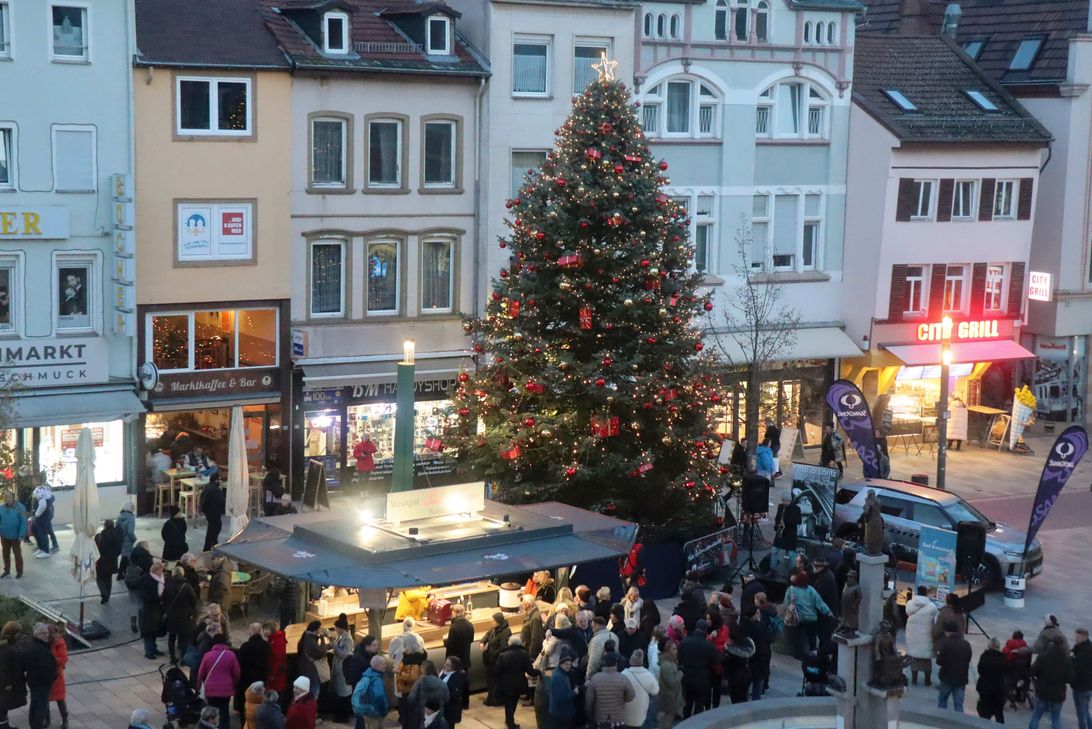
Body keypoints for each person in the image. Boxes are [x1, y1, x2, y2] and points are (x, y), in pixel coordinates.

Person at [494, 635, 540, 729]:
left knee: (508, 703)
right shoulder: (523, 654)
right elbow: (530, 671)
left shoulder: (503, 655)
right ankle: (510, 722)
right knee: (513, 702)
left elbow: (497, 671)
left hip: (505, 683)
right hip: (518, 683)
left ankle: (509, 720)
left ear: (509, 643)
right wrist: (539, 672)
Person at [784, 571, 832, 658]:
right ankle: (812, 652)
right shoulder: (810, 590)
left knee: (798, 637)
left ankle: (798, 654)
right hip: (811, 618)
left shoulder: (791, 590)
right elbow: (819, 603)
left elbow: (786, 604)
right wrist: (828, 612)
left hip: (798, 618)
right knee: (812, 636)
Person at [1031, 633, 1074, 729]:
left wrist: (1038, 680)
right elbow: (1070, 678)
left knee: (1036, 716)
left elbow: (1033, 671)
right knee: (1056, 718)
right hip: (1058, 693)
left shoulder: (1042, 657)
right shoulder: (1066, 660)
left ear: (1051, 643)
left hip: (1042, 691)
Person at [199, 634, 242, 729]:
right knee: (224, 710)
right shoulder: (231, 655)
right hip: (226, 689)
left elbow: (201, 673)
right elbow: (237, 672)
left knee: (212, 712)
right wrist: (234, 684)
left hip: (210, 689)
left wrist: (199, 686)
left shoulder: (207, 655)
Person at [677, 619, 718, 718]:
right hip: (702, 680)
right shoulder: (709, 645)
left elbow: (679, 658)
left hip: (687, 678)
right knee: (699, 705)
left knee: (687, 704)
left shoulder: (685, 642)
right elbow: (716, 660)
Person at [21, 623, 57, 729]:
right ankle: (37, 726)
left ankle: (33, 724)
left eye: (47, 632)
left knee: (35, 703)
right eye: (45, 633)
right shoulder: (41, 649)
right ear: (38, 634)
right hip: (42, 682)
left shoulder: (30, 644)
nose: (47, 635)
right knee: (40, 707)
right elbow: (48, 667)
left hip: (34, 680)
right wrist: (53, 677)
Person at [585, 651, 634, 728]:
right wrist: (623, 699)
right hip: (617, 719)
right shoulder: (623, 678)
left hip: (600, 718)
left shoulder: (595, 678)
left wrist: (589, 714)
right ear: (616, 663)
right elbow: (631, 696)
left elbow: (589, 700)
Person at [238, 622, 273, 721]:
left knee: (246, 709)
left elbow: (239, 664)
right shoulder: (266, 646)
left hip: (246, 682)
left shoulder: (245, 647)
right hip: (261, 681)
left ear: (251, 632)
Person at [163, 565, 198, 664]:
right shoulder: (186, 586)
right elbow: (194, 600)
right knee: (183, 638)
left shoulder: (167, 584)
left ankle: (172, 657)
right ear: (183, 574)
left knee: (172, 637)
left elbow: (163, 598)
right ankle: (183, 658)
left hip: (171, 616)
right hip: (184, 616)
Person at [935, 621, 972, 713]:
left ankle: (941, 721)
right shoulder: (966, 644)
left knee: (943, 700)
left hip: (947, 677)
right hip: (961, 678)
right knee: (958, 704)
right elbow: (968, 659)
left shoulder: (945, 643)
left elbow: (939, 661)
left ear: (947, 631)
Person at [904, 585, 937, 686]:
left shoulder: (910, 604)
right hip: (926, 637)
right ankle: (927, 681)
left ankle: (914, 679)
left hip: (913, 636)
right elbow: (935, 622)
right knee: (926, 661)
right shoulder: (932, 607)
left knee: (914, 659)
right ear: (926, 593)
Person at [738, 604, 770, 701]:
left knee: (744, 689)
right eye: (757, 613)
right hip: (759, 663)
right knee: (757, 689)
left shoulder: (742, 626)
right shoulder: (759, 628)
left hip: (747, 663)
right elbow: (764, 647)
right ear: (753, 615)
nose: (759, 614)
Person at [406, 661, 449, 729]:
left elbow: (411, 699)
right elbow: (446, 698)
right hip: (438, 712)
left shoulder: (419, 682)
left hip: (422, 713)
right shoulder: (441, 682)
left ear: (423, 670)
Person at [622, 649, 658, 729]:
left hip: (626, 713)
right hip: (640, 714)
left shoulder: (624, 674)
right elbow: (655, 691)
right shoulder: (648, 675)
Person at [520, 594, 546, 704]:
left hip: (531, 652)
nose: (521, 606)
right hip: (526, 649)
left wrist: (531, 655)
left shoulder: (535, 617)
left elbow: (536, 638)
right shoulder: (531, 615)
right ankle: (528, 694)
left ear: (527, 604)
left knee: (531, 675)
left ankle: (532, 698)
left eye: (523, 604)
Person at [328, 614, 355, 721]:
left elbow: (344, 654)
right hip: (338, 667)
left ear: (340, 628)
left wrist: (334, 645)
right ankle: (339, 715)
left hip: (343, 668)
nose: (335, 630)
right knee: (339, 692)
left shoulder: (347, 639)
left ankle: (343, 716)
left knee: (343, 693)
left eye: (336, 628)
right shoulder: (341, 637)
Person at [481, 612, 512, 705]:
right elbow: (487, 634)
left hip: (498, 660)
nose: (492, 622)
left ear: (499, 621)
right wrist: (482, 642)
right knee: (490, 680)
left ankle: (496, 699)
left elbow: (504, 646)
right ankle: (491, 698)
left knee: (496, 680)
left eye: (494, 621)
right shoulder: (494, 629)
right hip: (490, 659)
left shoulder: (505, 631)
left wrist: (494, 654)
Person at [0, 622, 25, 729]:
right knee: (3, 705)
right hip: (7, 683)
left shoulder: (5, 646)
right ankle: (3, 725)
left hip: (5, 682)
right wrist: (8, 684)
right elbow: (5, 668)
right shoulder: (9, 650)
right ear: (15, 634)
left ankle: (4, 723)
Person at [976, 637, 1007, 723]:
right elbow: (1006, 671)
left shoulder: (984, 656)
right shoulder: (1003, 657)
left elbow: (980, 670)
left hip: (985, 688)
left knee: (984, 715)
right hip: (999, 689)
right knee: (999, 714)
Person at [353, 655, 389, 729]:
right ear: (376, 665)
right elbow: (380, 697)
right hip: (375, 712)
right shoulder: (376, 680)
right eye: (383, 664)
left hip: (367, 710)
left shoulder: (367, 675)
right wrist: (384, 711)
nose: (385, 665)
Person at [139, 561, 166, 659]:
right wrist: (158, 598)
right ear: (155, 570)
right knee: (149, 631)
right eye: (160, 570)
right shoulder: (147, 580)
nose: (161, 572)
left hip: (158, 609)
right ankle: (148, 651)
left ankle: (154, 649)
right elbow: (144, 596)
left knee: (155, 630)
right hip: (149, 610)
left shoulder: (161, 580)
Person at [91, 518, 122, 603]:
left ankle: (104, 592)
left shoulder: (99, 536)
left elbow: (94, 549)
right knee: (108, 578)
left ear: (104, 526)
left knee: (99, 578)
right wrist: (114, 555)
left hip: (101, 561)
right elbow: (119, 549)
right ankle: (107, 594)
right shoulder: (116, 537)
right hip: (112, 561)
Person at [296, 621, 329, 701]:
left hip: (305, 667)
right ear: (316, 629)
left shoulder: (306, 636)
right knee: (314, 689)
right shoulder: (310, 640)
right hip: (311, 669)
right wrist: (322, 638)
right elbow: (321, 653)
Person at [548, 648, 578, 729]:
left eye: (569, 664)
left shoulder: (561, 673)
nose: (568, 666)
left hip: (559, 712)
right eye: (566, 664)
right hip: (561, 714)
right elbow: (562, 698)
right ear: (561, 664)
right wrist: (575, 692)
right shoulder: (559, 678)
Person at [0, 492, 27, 579]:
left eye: (8, 497)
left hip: (16, 536)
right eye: (5, 497)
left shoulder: (20, 507)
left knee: (17, 554)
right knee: (5, 554)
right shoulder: (2, 508)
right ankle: (7, 571)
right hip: (4, 535)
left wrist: (21, 534)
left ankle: (19, 571)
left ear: (13, 498)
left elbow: (24, 522)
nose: (6, 499)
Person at [443, 603, 474, 675]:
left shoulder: (454, 627)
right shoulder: (470, 625)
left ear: (455, 613)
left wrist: (445, 639)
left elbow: (449, 645)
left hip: (454, 662)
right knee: (464, 681)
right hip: (465, 659)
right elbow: (471, 640)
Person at [30, 481, 58, 558]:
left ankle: (45, 551)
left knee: (42, 533)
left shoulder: (41, 490)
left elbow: (43, 505)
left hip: (42, 516)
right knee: (35, 531)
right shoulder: (40, 489)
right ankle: (41, 548)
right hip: (40, 515)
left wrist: (36, 515)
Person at [201, 471, 227, 552]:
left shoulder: (208, 487)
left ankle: (212, 544)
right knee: (215, 528)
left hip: (208, 512)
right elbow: (221, 501)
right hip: (214, 512)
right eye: (219, 480)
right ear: (216, 480)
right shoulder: (216, 490)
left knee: (212, 529)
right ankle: (210, 546)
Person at [772, 493, 800, 566]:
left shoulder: (796, 509)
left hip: (790, 533)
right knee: (774, 550)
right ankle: (772, 567)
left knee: (791, 554)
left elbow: (798, 521)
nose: (783, 502)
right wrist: (777, 525)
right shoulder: (781, 507)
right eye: (783, 500)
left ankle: (792, 571)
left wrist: (786, 522)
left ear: (789, 500)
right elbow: (777, 518)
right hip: (781, 532)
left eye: (785, 501)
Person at [439, 657, 467, 727]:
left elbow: (455, 695)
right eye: (445, 663)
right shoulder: (444, 672)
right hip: (443, 707)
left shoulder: (456, 678)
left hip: (450, 710)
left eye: (448, 665)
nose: (444, 665)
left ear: (453, 667)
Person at [1073, 628, 1092, 729]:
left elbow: (1078, 667)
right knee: (1085, 710)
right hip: (1088, 686)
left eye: (1077, 637)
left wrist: (1071, 659)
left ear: (1084, 637)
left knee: (1081, 713)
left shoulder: (1085, 652)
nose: (1075, 639)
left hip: (1081, 687)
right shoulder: (1082, 647)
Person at [266, 620, 289, 702]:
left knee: (277, 694)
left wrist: (273, 674)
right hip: (277, 674)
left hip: (277, 674)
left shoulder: (277, 641)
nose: (264, 631)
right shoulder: (273, 639)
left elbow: (278, 659)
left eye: (266, 629)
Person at [116, 501, 137, 579]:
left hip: (121, 539)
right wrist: (134, 539)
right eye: (132, 507)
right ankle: (127, 574)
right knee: (128, 558)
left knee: (124, 557)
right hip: (128, 540)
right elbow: (130, 532)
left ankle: (121, 573)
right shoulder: (131, 518)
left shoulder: (120, 517)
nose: (134, 508)